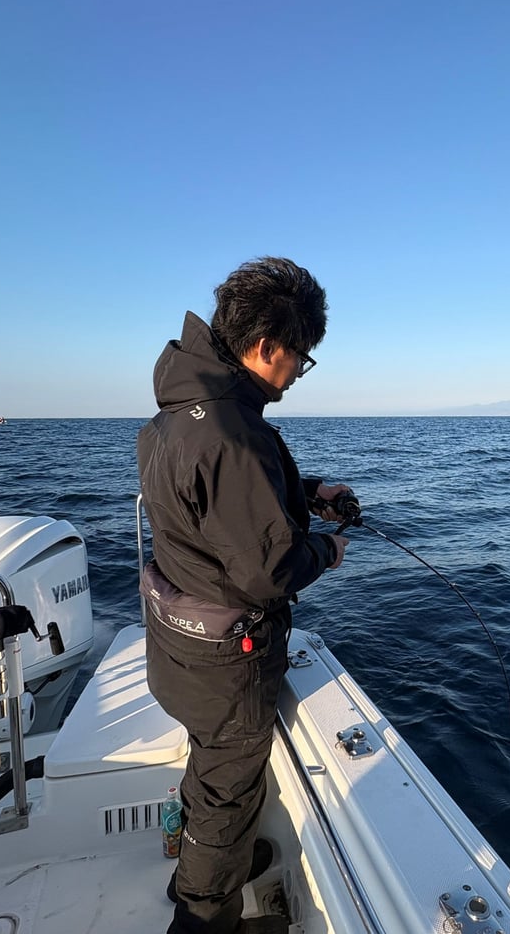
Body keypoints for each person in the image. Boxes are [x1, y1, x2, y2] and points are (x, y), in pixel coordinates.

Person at [137, 256, 352, 934]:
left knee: (213, 770)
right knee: (228, 791)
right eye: (300, 357)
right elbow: (270, 569)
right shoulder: (232, 432)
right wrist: (328, 550)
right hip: (227, 664)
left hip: (179, 645)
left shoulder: (180, 412)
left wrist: (305, 492)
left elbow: (215, 504)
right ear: (265, 346)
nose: (299, 371)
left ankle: (208, 865)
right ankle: (204, 913)